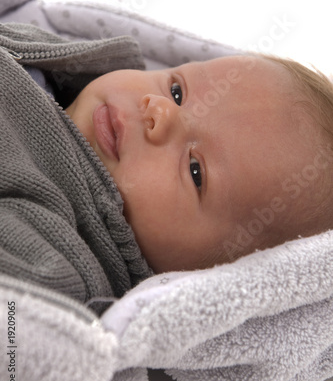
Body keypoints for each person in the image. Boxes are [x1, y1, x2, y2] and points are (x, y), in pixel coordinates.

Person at [1, 22, 332, 305]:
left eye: (195, 171)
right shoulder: (60, 62)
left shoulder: (57, 263)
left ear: (199, 282)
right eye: (176, 92)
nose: (160, 111)